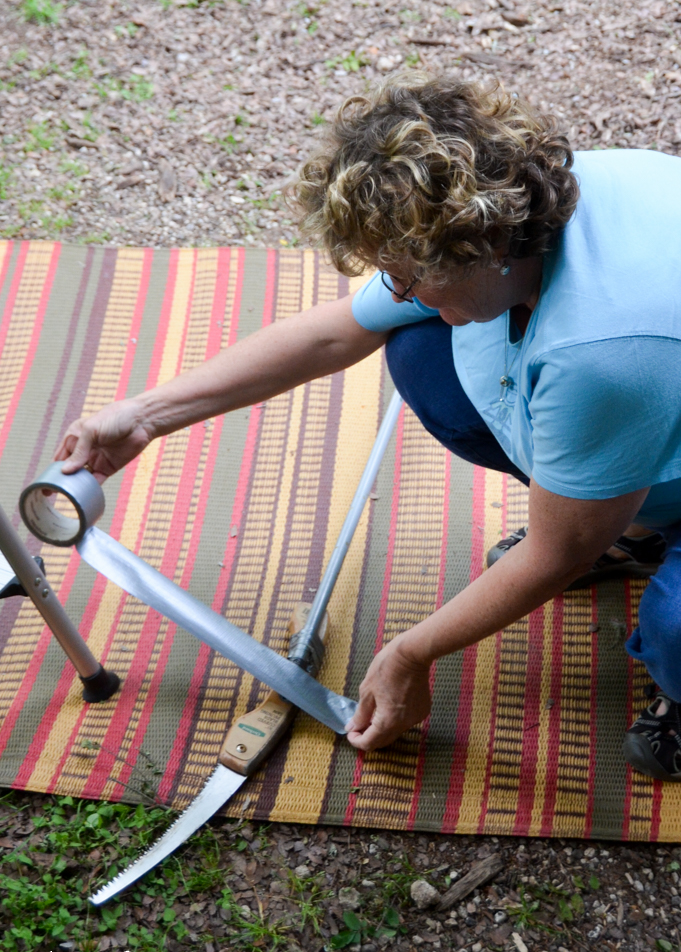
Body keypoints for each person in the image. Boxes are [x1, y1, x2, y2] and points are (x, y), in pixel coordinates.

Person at [56, 75, 681, 781]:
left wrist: (410, 653)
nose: (399, 291)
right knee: (418, 350)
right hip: (639, 397)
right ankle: (625, 520)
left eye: (410, 277)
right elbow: (333, 336)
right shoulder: (507, 215)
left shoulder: (601, 351)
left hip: (635, 378)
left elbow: (553, 553)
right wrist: (145, 415)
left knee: (675, 630)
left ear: (478, 250)